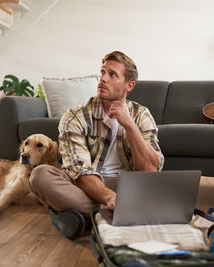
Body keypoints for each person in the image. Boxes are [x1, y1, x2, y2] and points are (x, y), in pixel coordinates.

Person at [29, 51, 164, 240]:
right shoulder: (75, 116)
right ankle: (126, 214)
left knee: (161, 190)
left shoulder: (142, 115)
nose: (103, 79)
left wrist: (130, 125)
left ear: (129, 85)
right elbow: (80, 173)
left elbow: (150, 170)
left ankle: (77, 217)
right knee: (40, 175)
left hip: (130, 187)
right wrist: (110, 198)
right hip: (86, 187)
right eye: (102, 72)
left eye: (112, 74)